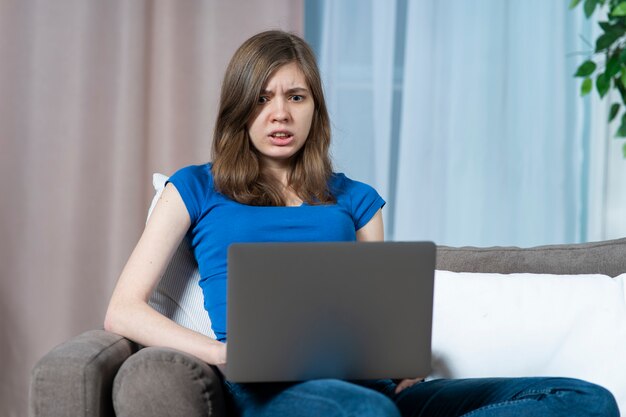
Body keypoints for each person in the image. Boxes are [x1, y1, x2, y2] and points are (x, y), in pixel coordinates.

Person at [104, 30, 619, 417]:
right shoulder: (194, 187)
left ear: (314, 110)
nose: (279, 114)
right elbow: (123, 311)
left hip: (375, 389)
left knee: (585, 399)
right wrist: (223, 351)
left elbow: (380, 310)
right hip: (267, 390)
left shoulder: (355, 199)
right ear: (240, 109)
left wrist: (402, 353)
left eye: (295, 97)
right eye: (263, 98)